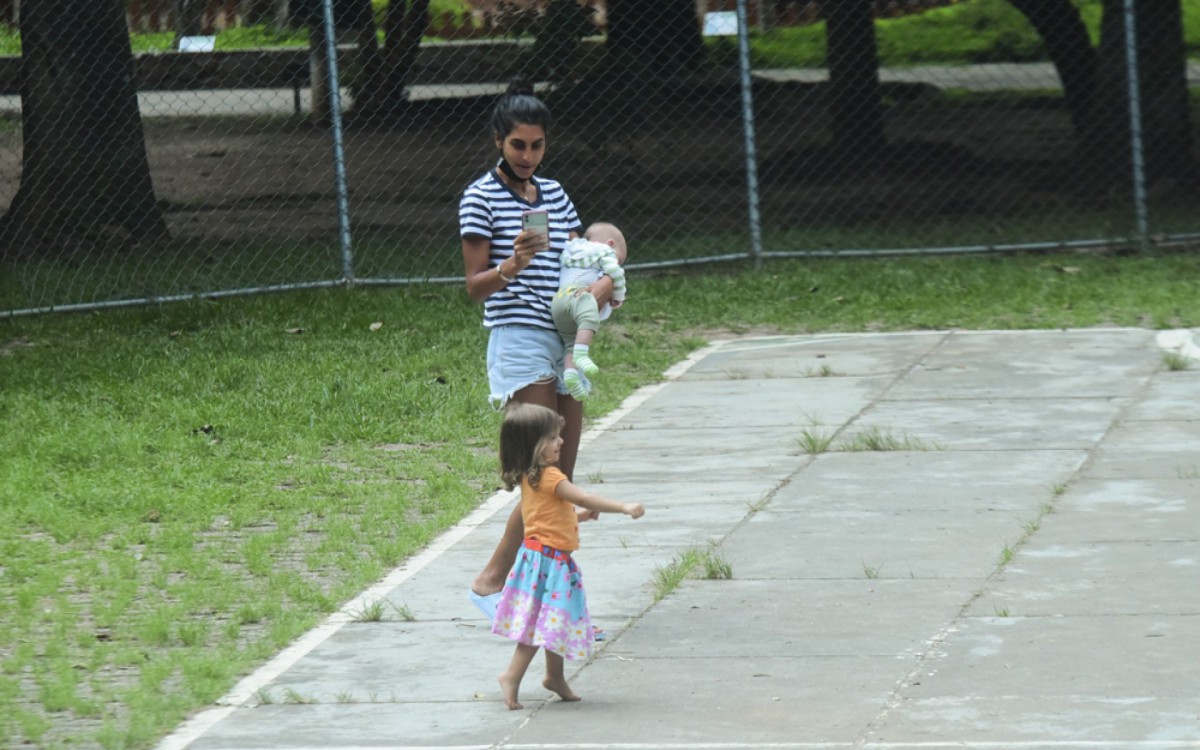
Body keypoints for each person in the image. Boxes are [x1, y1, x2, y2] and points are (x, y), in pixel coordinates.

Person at [459, 77, 615, 616]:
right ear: (498, 140)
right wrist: (512, 265)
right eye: (517, 145)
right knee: (542, 477)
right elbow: (474, 286)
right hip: (519, 340)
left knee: (558, 477)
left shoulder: (554, 193)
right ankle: (525, 597)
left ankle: (498, 581)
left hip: (562, 338)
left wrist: (602, 283)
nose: (528, 155)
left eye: (537, 145)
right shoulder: (479, 197)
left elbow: (575, 262)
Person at [491, 403, 645, 709]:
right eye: (552, 437)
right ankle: (512, 674)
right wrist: (624, 507)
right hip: (548, 563)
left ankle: (554, 677)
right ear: (534, 445)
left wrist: (581, 517)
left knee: (554, 621)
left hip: (542, 559)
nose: (560, 441)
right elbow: (583, 495)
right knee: (541, 623)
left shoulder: (531, 476)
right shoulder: (550, 477)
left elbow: (546, 517)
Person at [552, 222, 628, 400]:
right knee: (589, 314)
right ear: (610, 244)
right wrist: (619, 295)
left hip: (557, 302)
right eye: (620, 258)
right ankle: (581, 354)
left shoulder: (571, 248)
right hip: (578, 296)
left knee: (571, 341)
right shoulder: (604, 251)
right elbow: (616, 274)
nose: (617, 261)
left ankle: (570, 374)